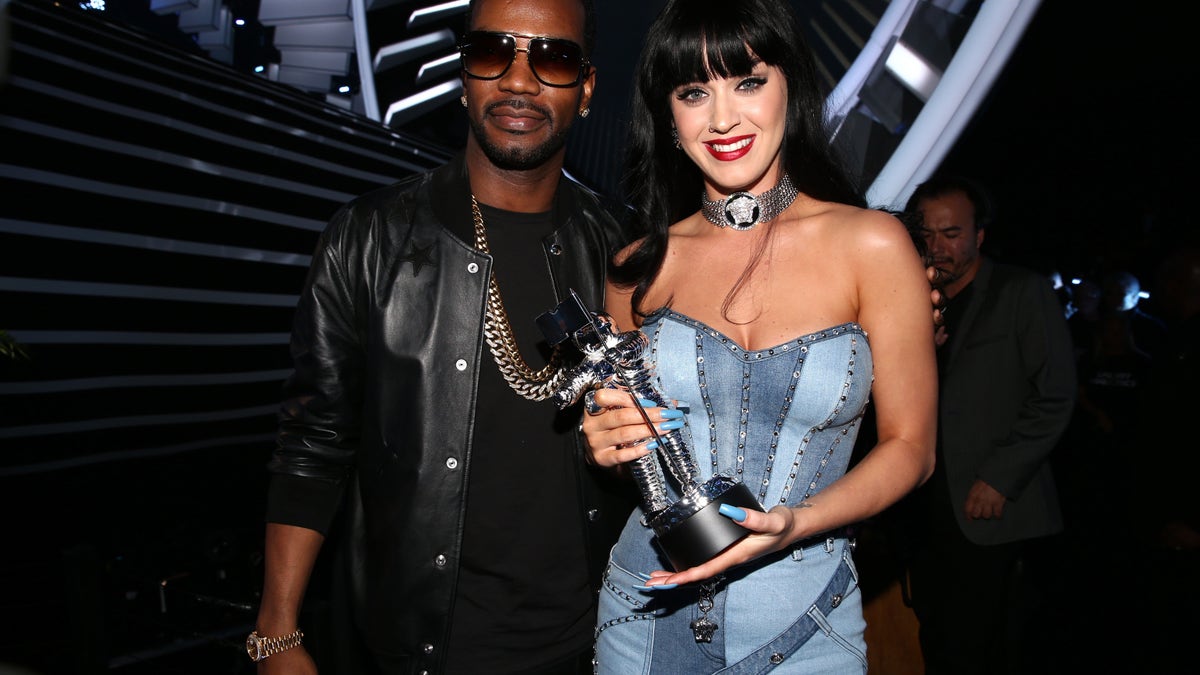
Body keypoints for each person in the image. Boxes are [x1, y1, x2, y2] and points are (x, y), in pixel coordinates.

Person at [251, 1, 639, 673]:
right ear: (464, 75)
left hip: (596, 648)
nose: (519, 81)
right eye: (494, 52)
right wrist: (277, 629)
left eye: (553, 58)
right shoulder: (369, 237)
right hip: (409, 649)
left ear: (588, 90)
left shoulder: (624, 250)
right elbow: (313, 442)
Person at [578, 0, 938, 671]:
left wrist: (795, 523)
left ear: (790, 86)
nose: (721, 119)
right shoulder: (635, 271)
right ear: (668, 117)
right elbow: (633, 452)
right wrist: (603, 437)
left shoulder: (874, 245)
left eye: (747, 81)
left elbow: (913, 448)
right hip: (642, 616)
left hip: (806, 625)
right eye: (693, 92)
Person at [899, 173, 1077, 675]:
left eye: (951, 234)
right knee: (934, 635)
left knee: (982, 643)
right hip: (923, 505)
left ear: (979, 235)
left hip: (989, 505)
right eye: (927, 235)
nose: (937, 248)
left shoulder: (1022, 292)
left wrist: (1001, 476)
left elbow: (1056, 395)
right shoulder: (914, 300)